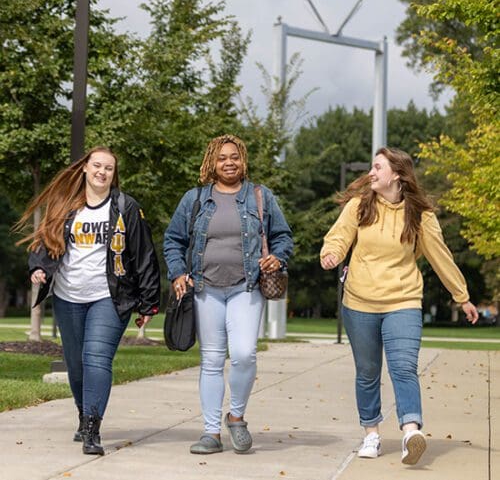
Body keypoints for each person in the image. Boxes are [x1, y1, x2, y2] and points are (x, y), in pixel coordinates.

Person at [320, 147, 478, 466]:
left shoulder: (420, 215)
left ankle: (410, 432)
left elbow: (440, 256)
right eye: (372, 167)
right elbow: (338, 237)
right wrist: (332, 254)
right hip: (359, 303)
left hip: (403, 301)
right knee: (367, 372)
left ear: (397, 173)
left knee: (403, 367)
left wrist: (462, 296)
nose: (371, 172)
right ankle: (371, 435)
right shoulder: (359, 206)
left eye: (378, 167)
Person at [15, 146, 160, 456]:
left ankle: (93, 428)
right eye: (97, 165)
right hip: (67, 297)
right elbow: (45, 239)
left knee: (96, 358)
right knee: (77, 365)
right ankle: (83, 415)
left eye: (108, 168)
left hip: (109, 297)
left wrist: (149, 302)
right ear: (85, 168)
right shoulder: (65, 205)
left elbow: (144, 254)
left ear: (113, 174)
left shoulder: (125, 207)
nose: (102, 172)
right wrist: (38, 267)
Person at [163, 134, 293, 455]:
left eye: (234, 156)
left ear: (243, 160)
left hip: (246, 288)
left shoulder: (260, 197)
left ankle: (236, 415)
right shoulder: (194, 199)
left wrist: (278, 256)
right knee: (211, 360)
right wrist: (179, 273)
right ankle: (210, 433)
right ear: (212, 162)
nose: (229, 162)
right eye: (222, 158)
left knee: (245, 353)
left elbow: (283, 236)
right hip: (205, 288)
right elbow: (173, 239)